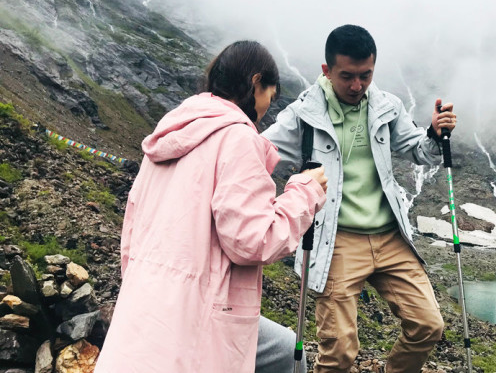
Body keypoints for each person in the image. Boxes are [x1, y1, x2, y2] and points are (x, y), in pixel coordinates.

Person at [95, 41, 328, 373]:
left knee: (282, 350)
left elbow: (132, 229)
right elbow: (253, 239)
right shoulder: (238, 138)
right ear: (255, 82)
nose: (265, 109)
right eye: (269, 97)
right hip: (198, 311)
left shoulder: (170, 135)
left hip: (145, 305)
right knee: (287, 355)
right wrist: (305, 192)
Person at [263, 25, 457, 373]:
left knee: (428, 325)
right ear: (326, 71)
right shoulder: (303, 114)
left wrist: (434, 134)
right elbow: (259, 152)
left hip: (390, 238)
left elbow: (420, 152)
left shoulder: (386, 106)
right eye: (347, 76)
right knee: (338, 354)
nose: (357, 85)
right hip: (337, 241)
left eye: (365, 75)